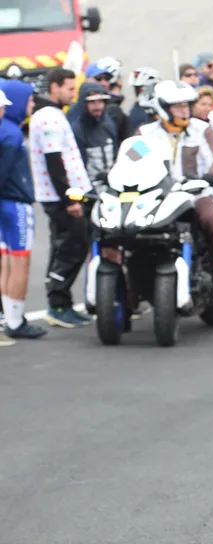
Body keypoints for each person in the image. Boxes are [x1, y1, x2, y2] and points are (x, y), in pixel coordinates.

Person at [138, 81, 213, 298]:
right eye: (178, 106)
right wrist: (114, 173)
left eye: (187, 105)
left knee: (212, 220)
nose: (185, 110)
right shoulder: (146, 133)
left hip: (195, 193)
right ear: (163, 108)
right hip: (158, 195)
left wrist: (209, 177)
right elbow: (131, 158)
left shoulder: (201, 130)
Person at [29, 67, 93, 329]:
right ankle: (57, 304)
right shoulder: (49, 118)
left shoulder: (53, 114)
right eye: (69, 88)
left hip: (66, 195)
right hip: (63, 198)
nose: (73, 94)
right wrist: (70, 200)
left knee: (65, 247)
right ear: (54, 87)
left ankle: (60, 303)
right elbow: (54, 162)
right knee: (71, 248)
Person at [0, 83, 46, 340]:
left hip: (4, 204)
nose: (32, 105)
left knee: (6, 260)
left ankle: (10, 316)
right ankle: (16, 320)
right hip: (14, 203)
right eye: (29, 100)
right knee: (19, 260)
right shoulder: (11, 134)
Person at [70, 81, 120, 195]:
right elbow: (77, 167)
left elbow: (116, 154)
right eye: (92, 102)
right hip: (89, 193)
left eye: (101, 101)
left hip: (113, 189)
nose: (98, 106)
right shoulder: (77, 131)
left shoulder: (109, 126)